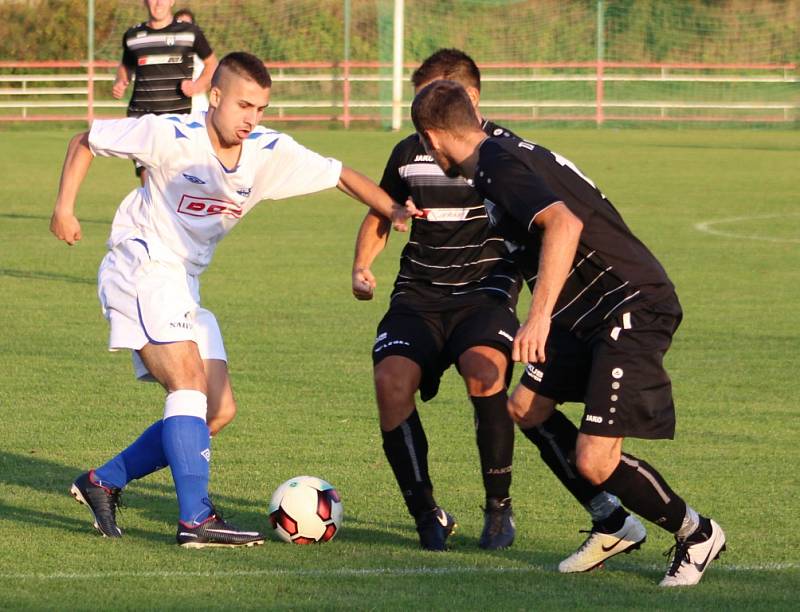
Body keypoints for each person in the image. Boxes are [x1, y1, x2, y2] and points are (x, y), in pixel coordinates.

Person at [50, 52, 408, 548]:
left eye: (260, 108)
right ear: (213, 97)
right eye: (243, 105)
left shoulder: (267, 151)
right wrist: (64, 209)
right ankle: (195, 520)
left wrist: (394, 209)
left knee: (216, 410)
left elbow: (340, 174)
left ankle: (102, 481)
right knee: (188, 381)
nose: (251, 118)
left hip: (183, 281)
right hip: (142, 264)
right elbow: (86, 140)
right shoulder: (170, 134)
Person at [409, 79, 726, 586]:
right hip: (587, 313)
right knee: (526, 408)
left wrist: (538, 317)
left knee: (596, 459)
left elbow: (564, 225)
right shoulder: (497, 149)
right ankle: (613, 522)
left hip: (628, 305)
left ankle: (697, 533)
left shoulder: (496, 164)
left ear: (431, 138)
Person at [353, 49, 641, 559]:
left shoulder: (501, 157)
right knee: (389, 382)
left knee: (486, 371)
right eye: (423, 100)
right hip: (419, 292)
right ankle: (426, 513)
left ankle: (497, 505)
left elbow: (559, 220)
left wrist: (546, 309)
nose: (430, 109)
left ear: (470, 99)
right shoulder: (408, 153)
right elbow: (383, 208)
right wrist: (362, 264)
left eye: (439, 97)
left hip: (485, 291)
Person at [112, 0, 218, 184]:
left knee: (173, 183)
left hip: (176, 120)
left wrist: (197, 86)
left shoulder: (189, 33)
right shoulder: (133, 35)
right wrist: (121, 80)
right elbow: (125, 66)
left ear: (171, 1)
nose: (158, 2)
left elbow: (212, 64)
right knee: (148, 182)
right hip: (141, 118)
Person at [174, 8, 210, 114]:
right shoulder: (165, 50)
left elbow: (211, 80)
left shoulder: (202, 53)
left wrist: (197, 86)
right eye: (180, 24)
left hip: (197, 107)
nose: (183, 28)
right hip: (171, 106)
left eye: (187, 25)